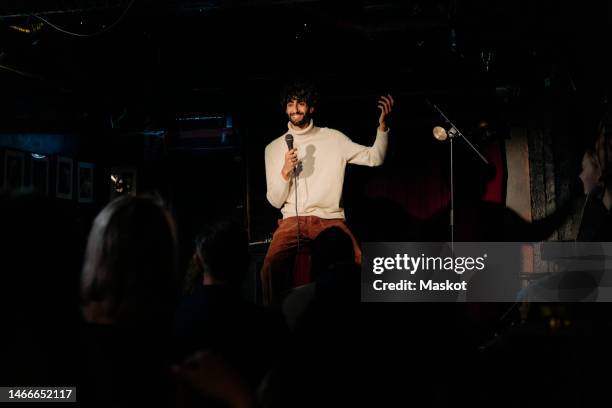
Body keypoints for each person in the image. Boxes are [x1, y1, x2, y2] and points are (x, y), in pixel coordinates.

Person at [261, 81, 394, 305]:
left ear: (311, 108)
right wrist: (285, 171)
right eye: (291, 104)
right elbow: (275, 201)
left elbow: (375, 158)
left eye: (301, 103)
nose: (295, 109)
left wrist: (382, 128)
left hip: (329, 217)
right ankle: (274, 324)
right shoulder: (273, 148)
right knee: (269, 268)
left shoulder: (334, 138)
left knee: (359, 261)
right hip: (292, 220)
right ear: (285, 108)